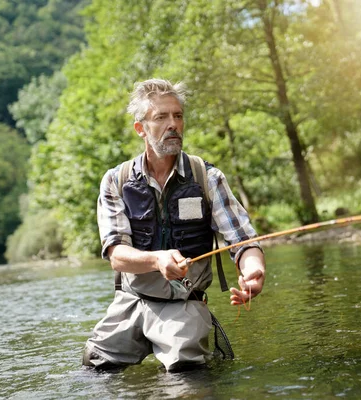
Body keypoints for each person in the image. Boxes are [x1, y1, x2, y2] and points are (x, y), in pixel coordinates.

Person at [82, 78, 266, 372]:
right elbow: (116, 254)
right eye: (161, 117)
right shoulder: (115, 181)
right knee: (94, 368)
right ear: (140, 128)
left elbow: (243, 240)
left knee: (185, 371)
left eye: (178, 116)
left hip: (185, 301)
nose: (173, 124)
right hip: (131, 301)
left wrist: (253, 270)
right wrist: (157, 260)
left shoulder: (207, 178)